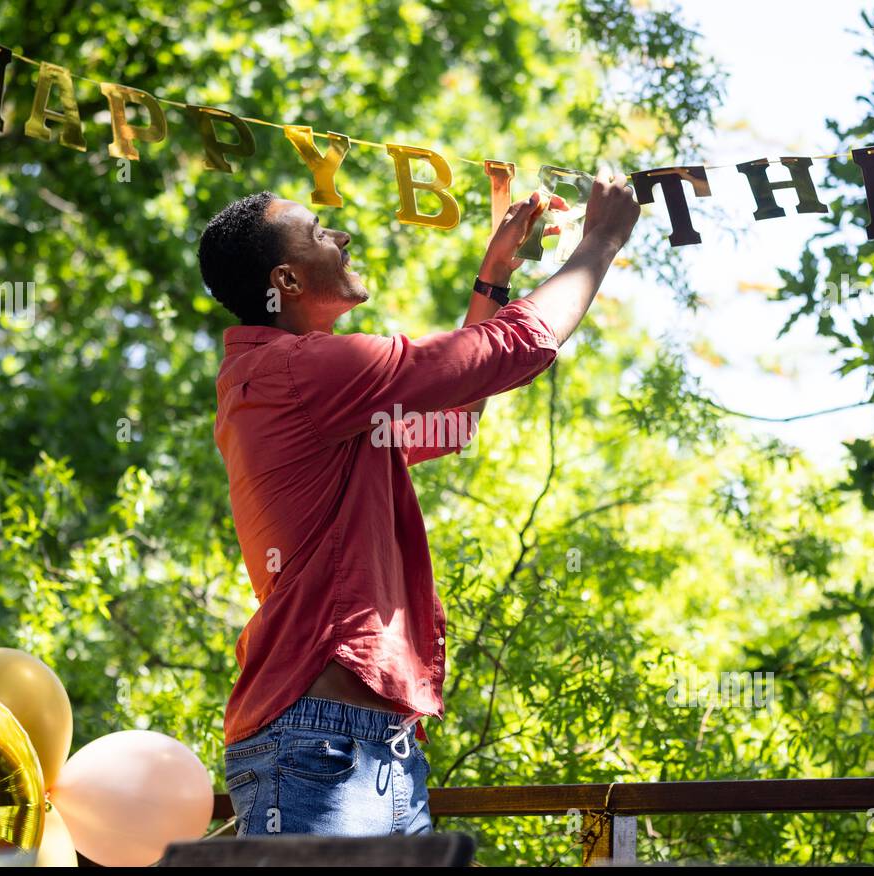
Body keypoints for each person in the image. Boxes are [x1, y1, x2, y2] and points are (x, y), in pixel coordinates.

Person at [198, 171, 640, 837]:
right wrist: (600, 242)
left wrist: (493, 277)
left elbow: (453, 419)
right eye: (320, 232)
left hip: (371, 742)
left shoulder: (296, 386)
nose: (341, 235)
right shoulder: (300, 371)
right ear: (285, 282)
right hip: (325, 745)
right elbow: (516, 347)